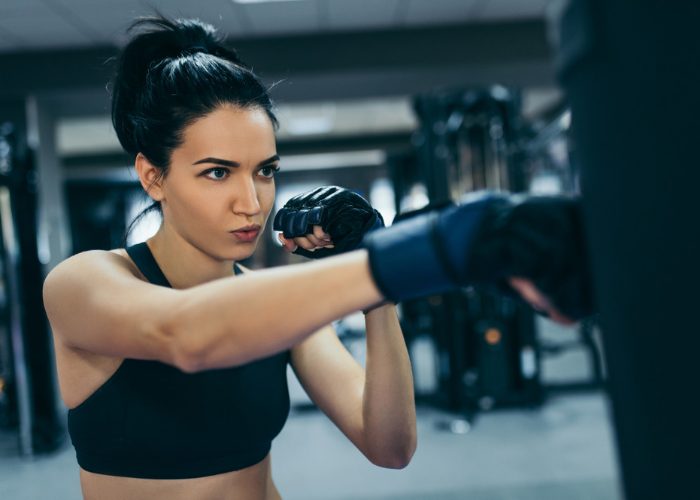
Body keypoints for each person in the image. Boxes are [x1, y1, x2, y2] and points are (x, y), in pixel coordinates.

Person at [42, 14, 592, 500]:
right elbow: (186, 334)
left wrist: (379, 282)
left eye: (265, 170)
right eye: (217, 172)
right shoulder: (85, 281)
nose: (251, 201)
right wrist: (424, 250)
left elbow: (389, 445)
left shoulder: (277, 313)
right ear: (153, 176)